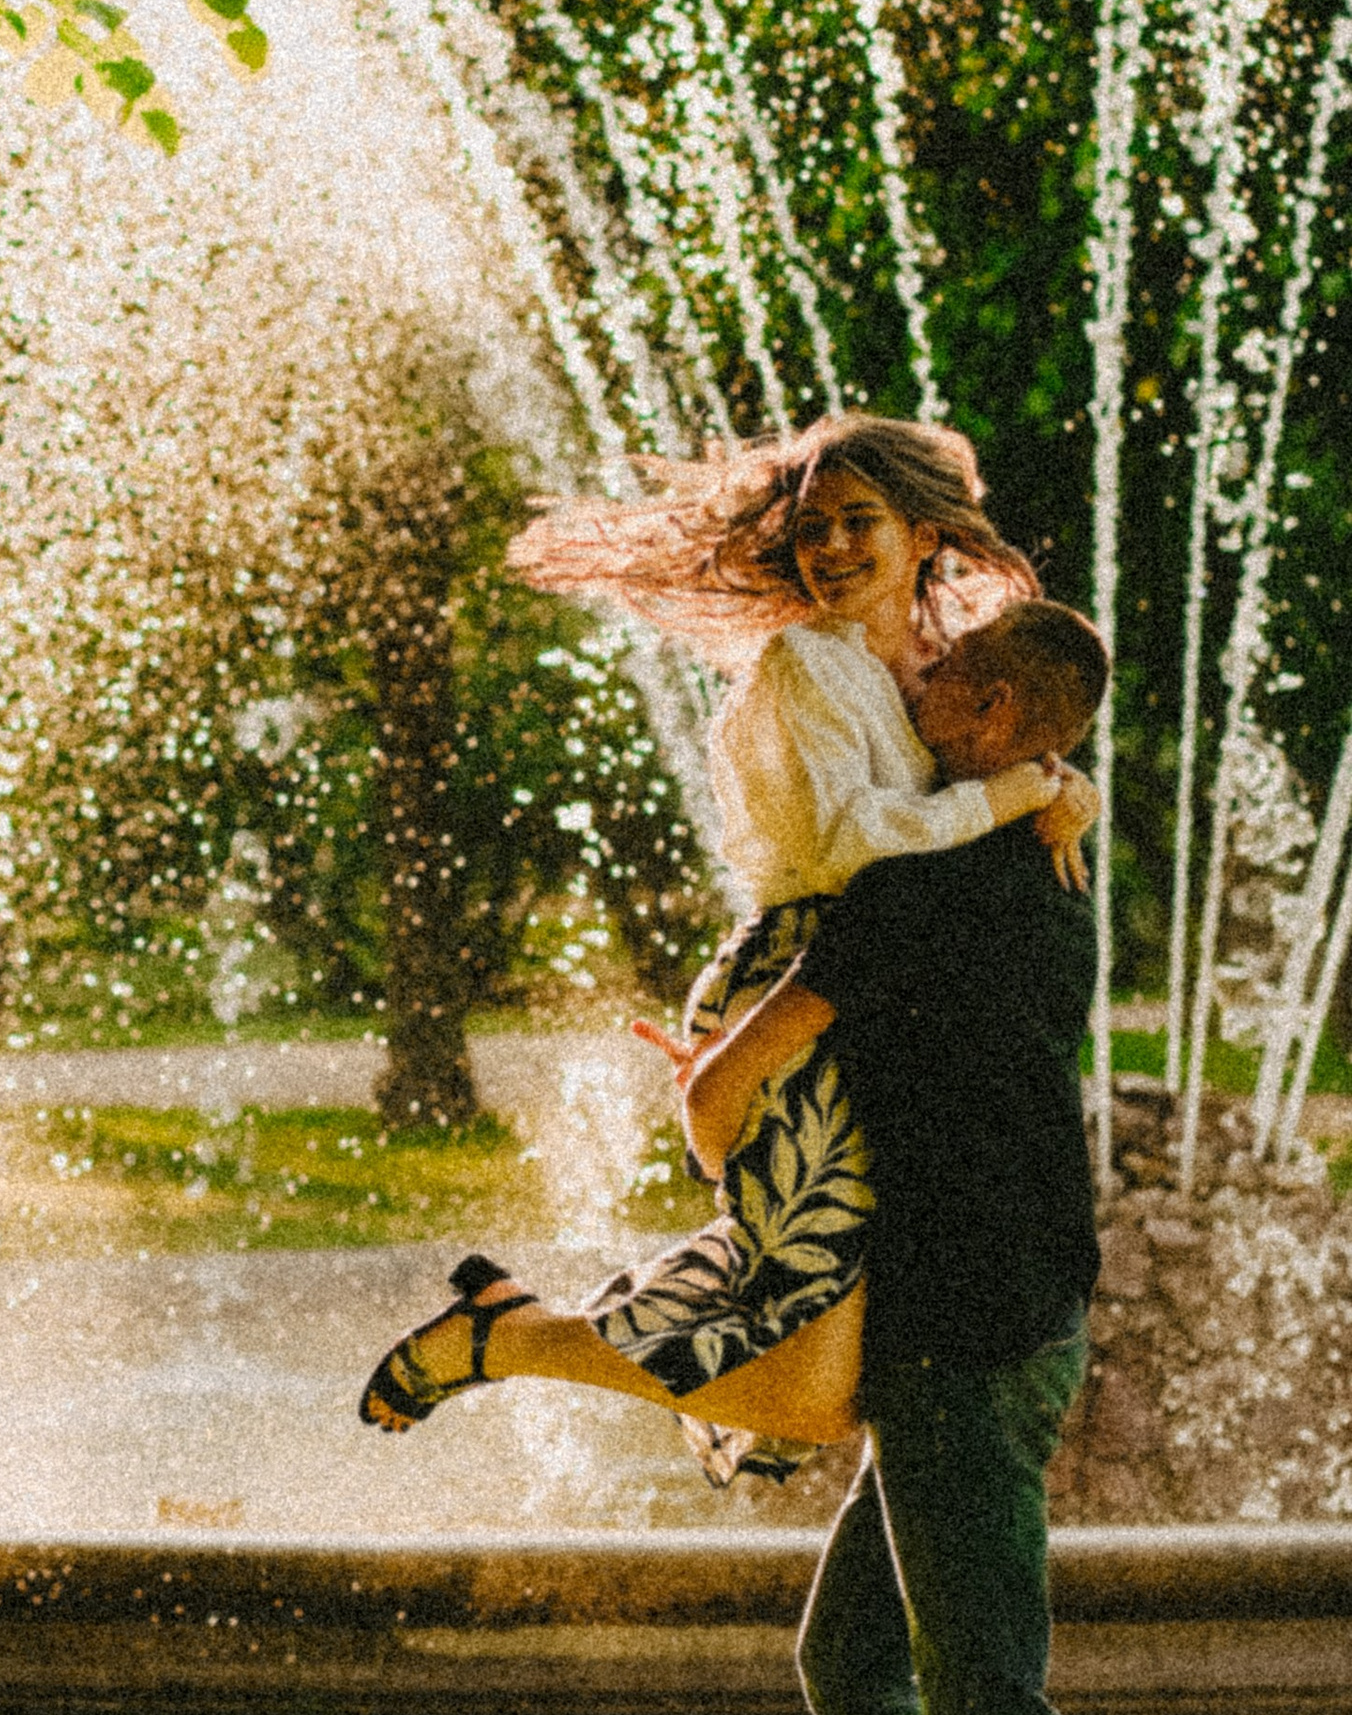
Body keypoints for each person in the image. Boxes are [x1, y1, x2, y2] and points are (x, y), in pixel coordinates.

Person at [668, 595, 1171, 1715]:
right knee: (852, 1661)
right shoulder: (1050, 865)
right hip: (1020, 1307)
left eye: (950, 673)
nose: (919, 678)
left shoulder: (911, 889)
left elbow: (721, 1090)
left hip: (959, 1328)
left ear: (1005, 719)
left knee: (990, 1710)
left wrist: (738, 1162)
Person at [357, 413, 1086, 1480]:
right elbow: (853, 843)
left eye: (859, 521)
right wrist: (1017, 795)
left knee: (822, 1349)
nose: (830, 547)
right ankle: (505, 1340)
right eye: (812, 528)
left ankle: (510, 1328)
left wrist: (1063, 788)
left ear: (925, 534)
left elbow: (1002, 747)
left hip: (869, 992)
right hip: (797, 973)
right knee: (816, 1371)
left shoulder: (935, 661)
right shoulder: (810, 663)